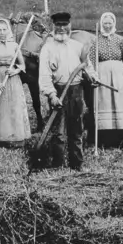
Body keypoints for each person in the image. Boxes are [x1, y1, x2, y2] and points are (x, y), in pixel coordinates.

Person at [37, 12, 87, 170]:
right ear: (53, 27)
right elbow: (44, 75)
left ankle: (77, 164)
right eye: (58, 25)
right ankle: (58, 164)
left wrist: (93, 77)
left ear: (70, 26)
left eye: (65, 25)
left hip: (77, 91)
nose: (61, 28)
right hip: (58, 91)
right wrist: (51, 95)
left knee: (76, 131)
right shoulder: (47, 48)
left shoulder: (77, 46)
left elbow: (87, 66)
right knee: (58, 132)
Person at [84, 12, 123, 148]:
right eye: (105, 23)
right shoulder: (96, 41)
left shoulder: (120, 39)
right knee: (104, 103)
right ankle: (105, 139)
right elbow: (91, 60)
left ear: (114, 24)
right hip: (102, 75)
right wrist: (93, 76)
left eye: (110, 23)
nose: (107, 26)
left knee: (120, 102)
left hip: (118, 75)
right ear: (101, 24)